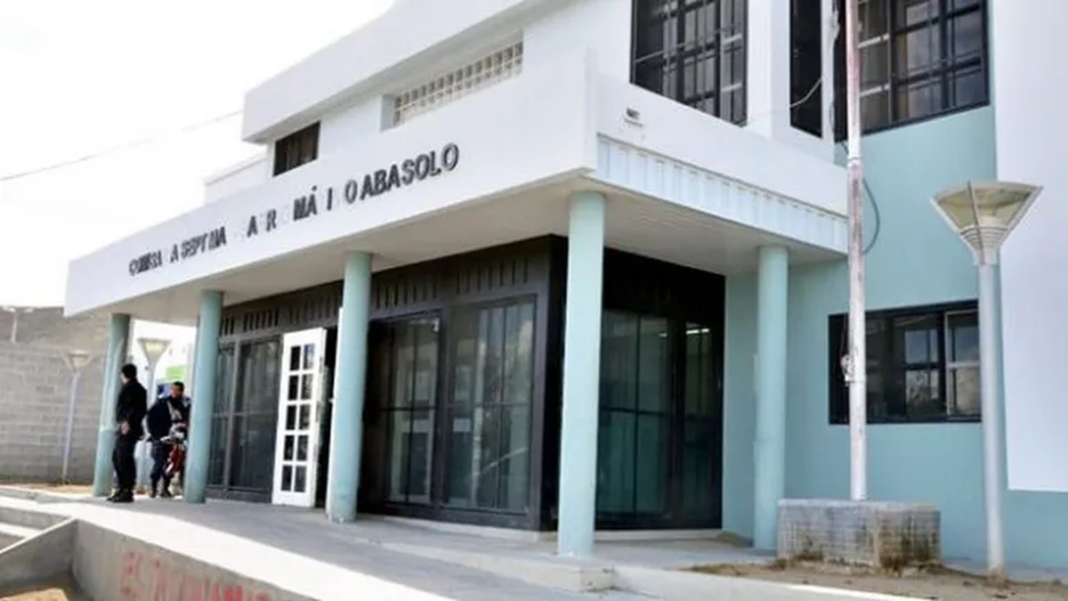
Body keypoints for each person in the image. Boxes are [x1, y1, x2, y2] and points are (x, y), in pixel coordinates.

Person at [109, 364, 147, 504]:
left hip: (128, 428)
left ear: (124, 374)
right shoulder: (135, 387)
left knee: (123, 458)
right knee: (117, 457)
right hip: (127, 427)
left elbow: (133, 408)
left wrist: (126, 421)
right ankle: (121, 488)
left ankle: (126, 490)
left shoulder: (132, 388)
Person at [145, 381, 190, 498]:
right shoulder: (162, 403)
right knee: (159, 463)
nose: (174, 392)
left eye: (177, 390)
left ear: (181, 391)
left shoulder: (184, 405)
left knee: (172, 464)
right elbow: (150, 417)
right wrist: (155, 434)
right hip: (161, 438)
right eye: (172, 389)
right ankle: (153, 487)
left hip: (176, 439)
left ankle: (165, 488)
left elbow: (187, 420)